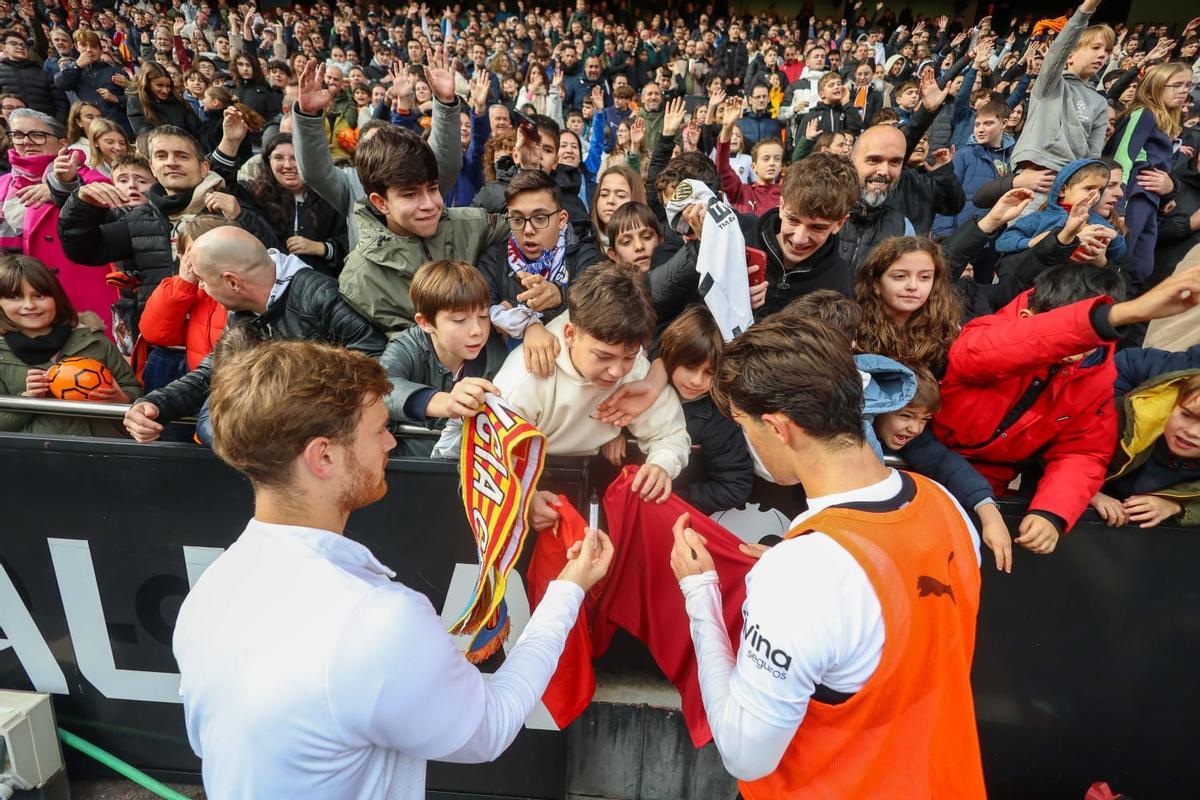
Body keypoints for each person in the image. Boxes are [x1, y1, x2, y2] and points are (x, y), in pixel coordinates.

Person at [173, 331, 613, 800]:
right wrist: (568, 589)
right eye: (379, 429)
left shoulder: (209, 590)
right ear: (323, 456)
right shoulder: (377, 619)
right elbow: (491, 727)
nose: (389, 443)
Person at [671, 316, 985, 797]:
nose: (746, 441)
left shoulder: (804, 573)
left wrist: (700, 594)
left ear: (777, 427)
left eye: (743, 425)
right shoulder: (946, 505)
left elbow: (743, 753)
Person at [934, 262, 1200, 555]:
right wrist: (1118, 316)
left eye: (1088, 339)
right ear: (1027, 318)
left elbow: (1082, 451)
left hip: (988, 479)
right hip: (919, 453)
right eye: (1075, 334)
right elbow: (989, 352)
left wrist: (1051, 512)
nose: (1077, 347)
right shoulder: (988, 334)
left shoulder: (1096, 373)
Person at [470, 262, 689, 529]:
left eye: (628, 357)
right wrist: (524, 501)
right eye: (603, 356)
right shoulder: (525, 376)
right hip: (532, 477)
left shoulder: (637, 372)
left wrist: (662, 464)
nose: (615, 371)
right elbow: (489, 458)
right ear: (571, 334)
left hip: (597, 473)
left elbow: (670, 433)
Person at [121, 227, 387, 444]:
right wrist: (154, 404)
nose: (201, 287)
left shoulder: (319, 296)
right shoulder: (242, 311)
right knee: (216, 425)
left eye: (203, 279)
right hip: (282, 450)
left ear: (232, 282)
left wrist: (304, 401)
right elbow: (211, 374)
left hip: (332, 443)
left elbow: (376, 359)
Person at [337, 123, 509, 336]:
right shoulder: (360, 278)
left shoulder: (471, 224)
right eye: (410, 194)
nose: (429, 204)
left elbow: (536, 228)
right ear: (381, 203)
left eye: (433, 189)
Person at [475, 169, 603, 374]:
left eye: (540, 218)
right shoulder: (494, 259)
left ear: (561, 219)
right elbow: (479, 307)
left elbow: (600, 303)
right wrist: (528, 324)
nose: (528, 230)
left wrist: (561, 296)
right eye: (517, 220)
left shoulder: (584, 255)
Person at [0, 254, 140, 437]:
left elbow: (137, 396)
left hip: (102, 453)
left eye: (39, 295)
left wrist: (119, 398)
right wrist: (27, 401)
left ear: (56, 297)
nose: (29, 305)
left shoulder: (95, 342)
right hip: (36, 456)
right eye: (15, 297)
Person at [380, 259, 506, 455]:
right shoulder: (408, 347)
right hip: (413, 463)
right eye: (459, 320)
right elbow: (379, 389)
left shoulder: (495, 352)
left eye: (483, 316)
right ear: (425, 322)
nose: (477, 330)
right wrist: (443, 402)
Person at [654, 304, 753, 514]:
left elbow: (735, 486)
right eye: (690, 367)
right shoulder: (640, 381)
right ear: (670, 354)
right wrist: (611, 434)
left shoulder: (720, 417)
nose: (697, 381)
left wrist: (674, 498)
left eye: (709, 372)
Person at [1105, 62, 1192, 288]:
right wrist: (1119, 205)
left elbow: (1160, 167)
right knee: (1121, 263)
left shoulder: (1167, 122)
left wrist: (1167, 195)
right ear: (1157, 86)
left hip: (1151, 201)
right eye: (1177, 85)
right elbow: (1123, 156)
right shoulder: (1143, 114)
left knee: (1142, 267)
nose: (1184, 90)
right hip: (1134, 197)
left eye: (1188, 85)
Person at [1091, 351, 1200, 528]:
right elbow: (1062, 451)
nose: (1192, 432)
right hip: (1088, 485)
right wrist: (1087, 492)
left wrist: (1175, 506)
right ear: (1173, 405)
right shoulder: (1138, 421)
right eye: (1186, 415)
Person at [1009, 0, 1112, 186]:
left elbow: (1093, 153)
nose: (1103, 55)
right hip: (1036, 175)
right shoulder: (1050, 83)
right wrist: (1085, 10)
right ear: (1070, 55)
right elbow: (1058, 50)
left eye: (1107, 51)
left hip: (1071, 183)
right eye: (1096, 47)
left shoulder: (1100, 102)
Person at [747, 152, 860, 317]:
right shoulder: (741, 243)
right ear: (781, 205)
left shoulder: (838, 283)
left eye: (817, 228)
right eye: (793, 220)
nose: (799, 239)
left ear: (839, 224)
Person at [247, 133, 347, 277]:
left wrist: (321, 248)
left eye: (295, 157)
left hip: (324, 286)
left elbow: (350, 241)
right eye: (278, 157)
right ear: (268, 161)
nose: (287, 165)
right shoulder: (257, 198)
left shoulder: (332, 197)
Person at [138, 214, 230, 372]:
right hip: (198, 377)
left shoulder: (235, 289)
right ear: (182, 258)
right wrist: (183, 283)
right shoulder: (184, 290)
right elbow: (155, 333)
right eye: (194, 255)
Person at [996, 159, 1126, 264]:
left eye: (1100, 190)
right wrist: (1030, 242)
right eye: (1089, 188)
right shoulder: (1040, 218)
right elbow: (1003, 241)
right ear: (1062, 190)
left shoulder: (1097, 221)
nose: (1095, 195)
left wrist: (1113, 238)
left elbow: (1120, 255)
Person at [718, 98, 784, 216]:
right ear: (753, 167)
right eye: (766, 158)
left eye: (777, 159)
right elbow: (722, 168)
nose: (772, 163)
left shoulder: (789, 195)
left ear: (781, 166)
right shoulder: (742, 192)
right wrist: (727, 127)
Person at [0, 28, 68, 123]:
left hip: (46, 128)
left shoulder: (43, 73)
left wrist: (57, 125)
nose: (20, 47)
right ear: (3, 47)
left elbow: (61, 102)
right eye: (14, 44)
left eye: (23, 45)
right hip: (13, 129)